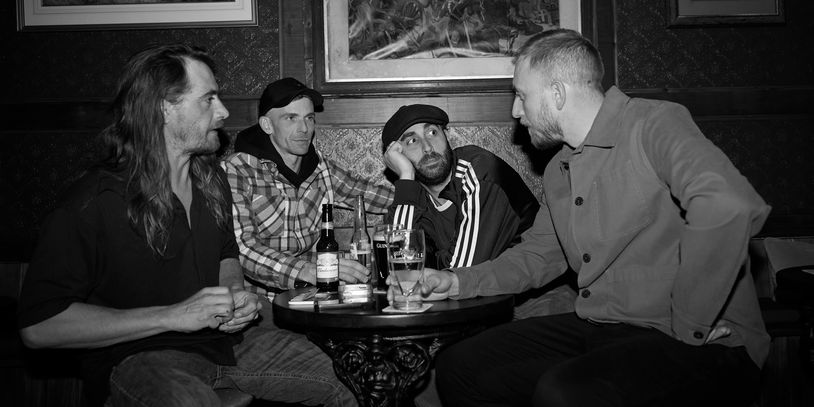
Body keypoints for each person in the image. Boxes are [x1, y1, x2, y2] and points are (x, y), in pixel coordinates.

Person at [414, 29, 772, 406]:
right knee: (459, 367)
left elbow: (726, 204)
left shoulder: (653, 122)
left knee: (565, 393)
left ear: (557, 93)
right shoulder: (559, 170)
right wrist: (455, 281)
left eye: (521, 95)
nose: (516, 111)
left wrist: (691, 321)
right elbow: (536, 255)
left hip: (704, 340)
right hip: (605, 327)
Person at [17, 44, 356, 407]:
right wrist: (172, 316)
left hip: (230, 343)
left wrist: (234, 295)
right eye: (208, 99)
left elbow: (227, 254)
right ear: (164, 107)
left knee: (355, 381)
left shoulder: (212, 181)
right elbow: (39, 326)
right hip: (140, 356)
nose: (223, 112)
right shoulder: (94, 200)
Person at [221, 77, 393, 295]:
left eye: (309, 118)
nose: (304, 128)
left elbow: (375, 196)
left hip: (314, 296)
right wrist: (307, 271)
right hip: (259, 301)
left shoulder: (320, 168)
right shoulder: (238, 170)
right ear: (267, 125)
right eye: (291, 118)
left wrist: (414, 182)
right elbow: (242, 248)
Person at [381, 104, 540, 270]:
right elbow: (403, 267)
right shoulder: (415, 197)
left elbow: (460, 273)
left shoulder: (479, 173)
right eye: (412, 141)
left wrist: (431, 262)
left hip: (536, 284)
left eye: (432, 133)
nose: (427, 147)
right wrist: (406, 176)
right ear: (399, 156)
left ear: (447, 135)